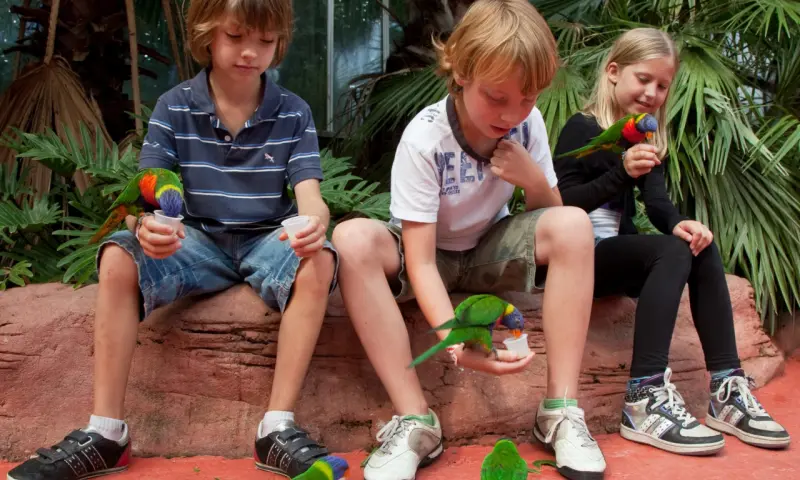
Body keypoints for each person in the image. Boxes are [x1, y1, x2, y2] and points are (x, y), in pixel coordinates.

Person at [8, 1, 339, 478]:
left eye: (265, 42)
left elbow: (311, 194)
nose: (251, 52)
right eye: (236, 37)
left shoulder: (293, 112)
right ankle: (105, 434)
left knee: (321, 259)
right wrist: (151, 227)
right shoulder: (174, 105)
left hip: (266, 240)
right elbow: (149, 194)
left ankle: (276, 429)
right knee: (119, 258)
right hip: (197, 240)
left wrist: (314, 224)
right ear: (207, 34)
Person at [331, 1, 606, 479]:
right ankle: (416, 419)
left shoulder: (527, 122)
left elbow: (557, 219)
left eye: (527, 98)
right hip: (430, 255)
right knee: (352, 238)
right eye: (496, 97)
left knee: (577, 223)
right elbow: (417, 261)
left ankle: (559, 411)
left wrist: (533, 179)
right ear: (459, 71)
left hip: (488, 251)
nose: (512, 112)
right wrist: (456, 341)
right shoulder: (425, 139)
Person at [553, 27, 790, 456]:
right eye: (643, 78)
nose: (652, 92)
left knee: (697, 244)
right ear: (613, 72)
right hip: (576, 257)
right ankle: (644, 397)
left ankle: (726, 389)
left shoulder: (644, 137)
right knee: (669, 249)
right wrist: (621, 171)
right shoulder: (582, 127)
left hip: (617, 256)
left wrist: (685, 224)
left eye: (662, 85)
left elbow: (659, 207)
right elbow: (563, 201)